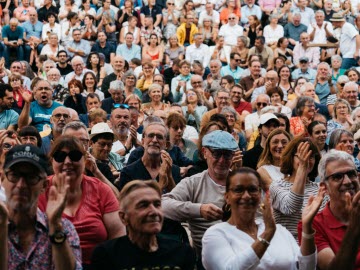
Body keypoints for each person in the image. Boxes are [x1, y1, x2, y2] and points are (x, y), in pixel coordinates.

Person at [202, 167, 321, 270]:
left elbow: (307, 267)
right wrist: (268, 234)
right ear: (227, 197)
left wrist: (307, 227)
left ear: (260, 194)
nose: (247, 196)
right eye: (239, 190)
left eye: (252, 190)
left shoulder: (280, 231)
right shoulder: (216, 234)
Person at [38, 136, 126, 267]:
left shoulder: (101, 190)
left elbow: (119, 238)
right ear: (52, 161)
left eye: (74, 156)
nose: (67, 161)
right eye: (60, 156)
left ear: (85, 159)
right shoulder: (39, 190)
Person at [0, 144, 82, 269]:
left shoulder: (64, 228)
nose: (21, 185)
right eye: (14, 175)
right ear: (2, 178)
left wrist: (55, 226)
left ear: (44, 185)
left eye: (31, 177)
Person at [162, 130, 239, 261]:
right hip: (206, 257)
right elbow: (163, 204)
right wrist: (198, 210)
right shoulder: (193, 183)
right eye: (216, 154)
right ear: (204, 153)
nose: (222, 160)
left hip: (240, 251)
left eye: (227, 155)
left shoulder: (243, 183)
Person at [91, 180, 196, 269]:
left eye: (157, 204)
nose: (154, 211)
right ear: (123, 217)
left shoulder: (182, 252)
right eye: (143, 205)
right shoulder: (106, 255)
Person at [299, 150, 360, 269]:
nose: (347, 181)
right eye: (337, 177)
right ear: (324, 187)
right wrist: (354, 226)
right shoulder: (313, 225)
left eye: (351, 174)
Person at [270, 137, 326, 240]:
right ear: (291, 158)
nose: (307, 159)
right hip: (289, 246)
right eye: (302, 155)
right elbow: (290, 207)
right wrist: (302, 168)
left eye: (311, 156)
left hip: (316, 246)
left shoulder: (320, 189)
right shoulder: (277, 186)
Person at [118, 121, 180, 191]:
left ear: (167, 145)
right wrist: (161, 185)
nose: (154, 140)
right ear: (143, 141)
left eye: (159, 137)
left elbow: (177, 199)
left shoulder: (174, 171)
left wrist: (169, 176)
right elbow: (128, 201)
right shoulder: (128, 172)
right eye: (150, 136)